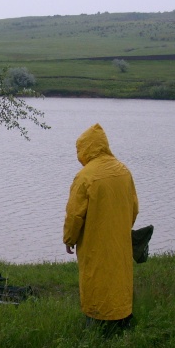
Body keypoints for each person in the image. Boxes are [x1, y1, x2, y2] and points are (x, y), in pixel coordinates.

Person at [63, 123, 139, 331]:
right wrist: (121, 227)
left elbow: (75, 214)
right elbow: (134, 207)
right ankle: (123, 319)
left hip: (94, 243)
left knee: (96, 279)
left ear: (86, 148)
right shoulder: (123, 171)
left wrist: (69, 239)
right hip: (119, 241)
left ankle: (97, 323)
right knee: (118, 278)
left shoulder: (85, 176)